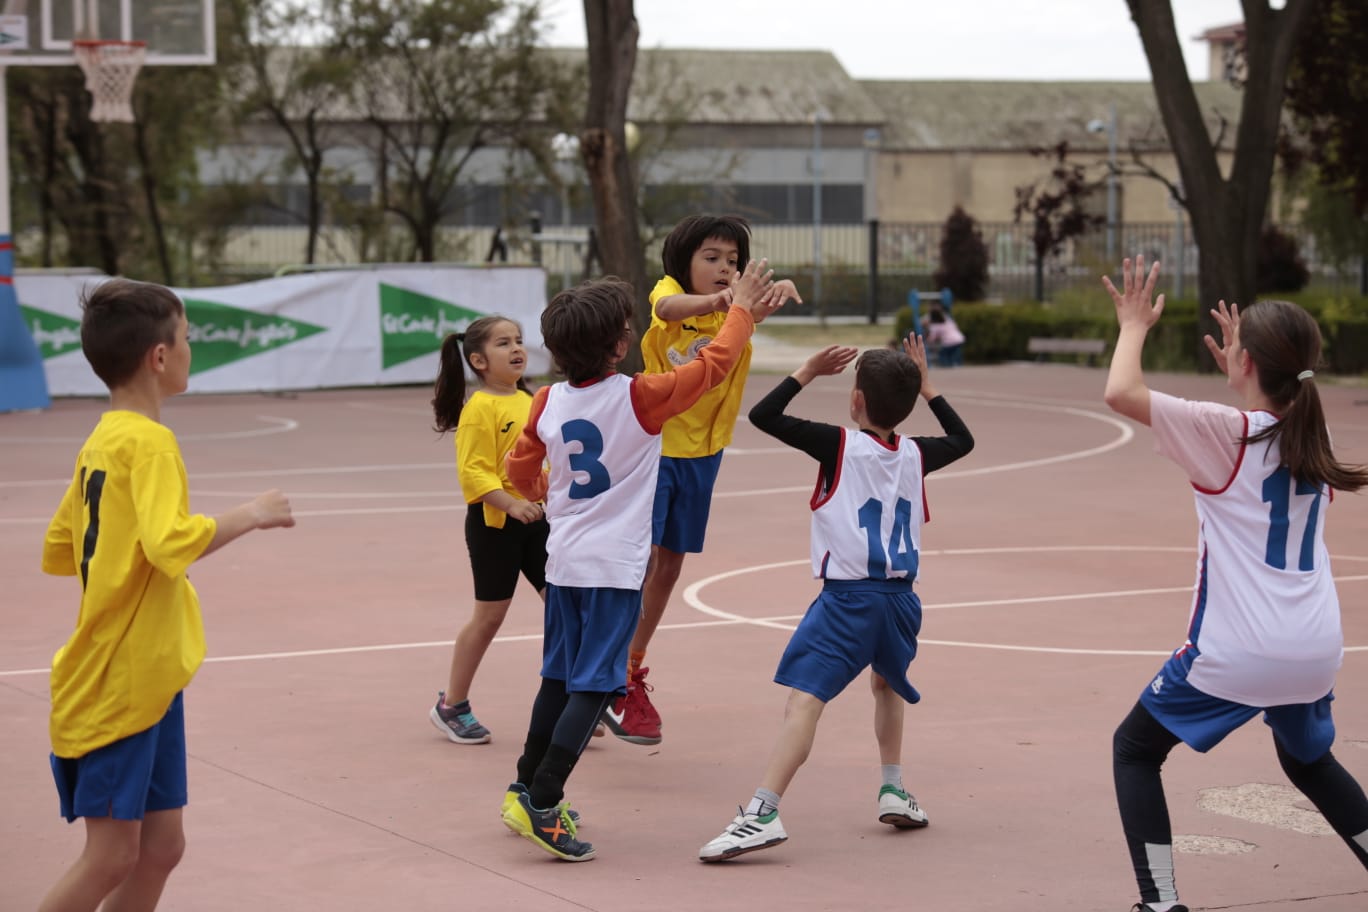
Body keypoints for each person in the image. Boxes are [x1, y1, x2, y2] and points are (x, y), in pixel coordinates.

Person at [1101, 255, 1368, 912]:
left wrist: (1133, 325)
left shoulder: (1225, 433)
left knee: (1134, 749)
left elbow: (1121, 393)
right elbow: (1270, 417)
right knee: (1308, 762)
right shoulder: (1314, 432)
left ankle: (1160, 903)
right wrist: (1246, 375)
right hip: (1315, 650)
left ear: (1246, 362)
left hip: (1241, 651)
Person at [501, 262, 779, 861]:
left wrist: (544, 489)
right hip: (613, 568)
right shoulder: (640, 396)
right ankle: (544, 800)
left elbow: (518, 471)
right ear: (620, 345)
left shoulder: (546, 400)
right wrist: (740, 313)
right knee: (596, 686)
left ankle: (522, 787)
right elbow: (714, 365)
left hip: (564, 562)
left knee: (557, 678)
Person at [38, 278, 295, 912]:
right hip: (119, 679)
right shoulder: (150, 442)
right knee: (111, 856)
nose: (189, 348)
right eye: (186, 337)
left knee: (160, 848)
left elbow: (61, 544)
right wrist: (253, 513)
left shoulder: (104, 437)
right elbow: (169, 542)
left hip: (147, 674)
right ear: (160, 355)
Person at [698, 333, 975, 862]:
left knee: (804, 700)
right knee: (886, 685)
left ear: (856, 400)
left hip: (849, 599)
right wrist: (927, 386)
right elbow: (963, 439)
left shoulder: (839, 446)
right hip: (901, 600)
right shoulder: (917, 454)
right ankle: (893, 787)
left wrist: (807, 370)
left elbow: (764, 415)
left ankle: (762, 812)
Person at [603, 214, 799, 745]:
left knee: (670, 566)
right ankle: (606, 674)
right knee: (638, 563)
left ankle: (629, 668)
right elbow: (668, 309)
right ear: (683, 261)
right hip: (656, 448)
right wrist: (722, 300)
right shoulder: (670, 295)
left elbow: (748, 314)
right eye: (711, 258)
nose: (724, 267)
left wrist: (770, 295)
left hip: (704, 453)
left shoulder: (733, 312)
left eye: (733, 260)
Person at [427, 316, 552, 745]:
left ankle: (570, 702)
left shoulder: (532, 399)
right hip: (495, 525)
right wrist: (511, 503)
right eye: (503, 343)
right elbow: (474, 473)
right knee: (489, 617)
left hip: (538, 521)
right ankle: (452, 705)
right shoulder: (480, 408)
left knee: (564, 608)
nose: (516, 348)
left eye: (518, 340)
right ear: (479, 360)